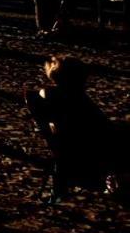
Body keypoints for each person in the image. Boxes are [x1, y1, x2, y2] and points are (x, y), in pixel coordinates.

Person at [25, 56, 128, 201]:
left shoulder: (51, 95)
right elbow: (102, 128)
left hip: (70, 150)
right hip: (91, 152)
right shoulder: (78, 101)